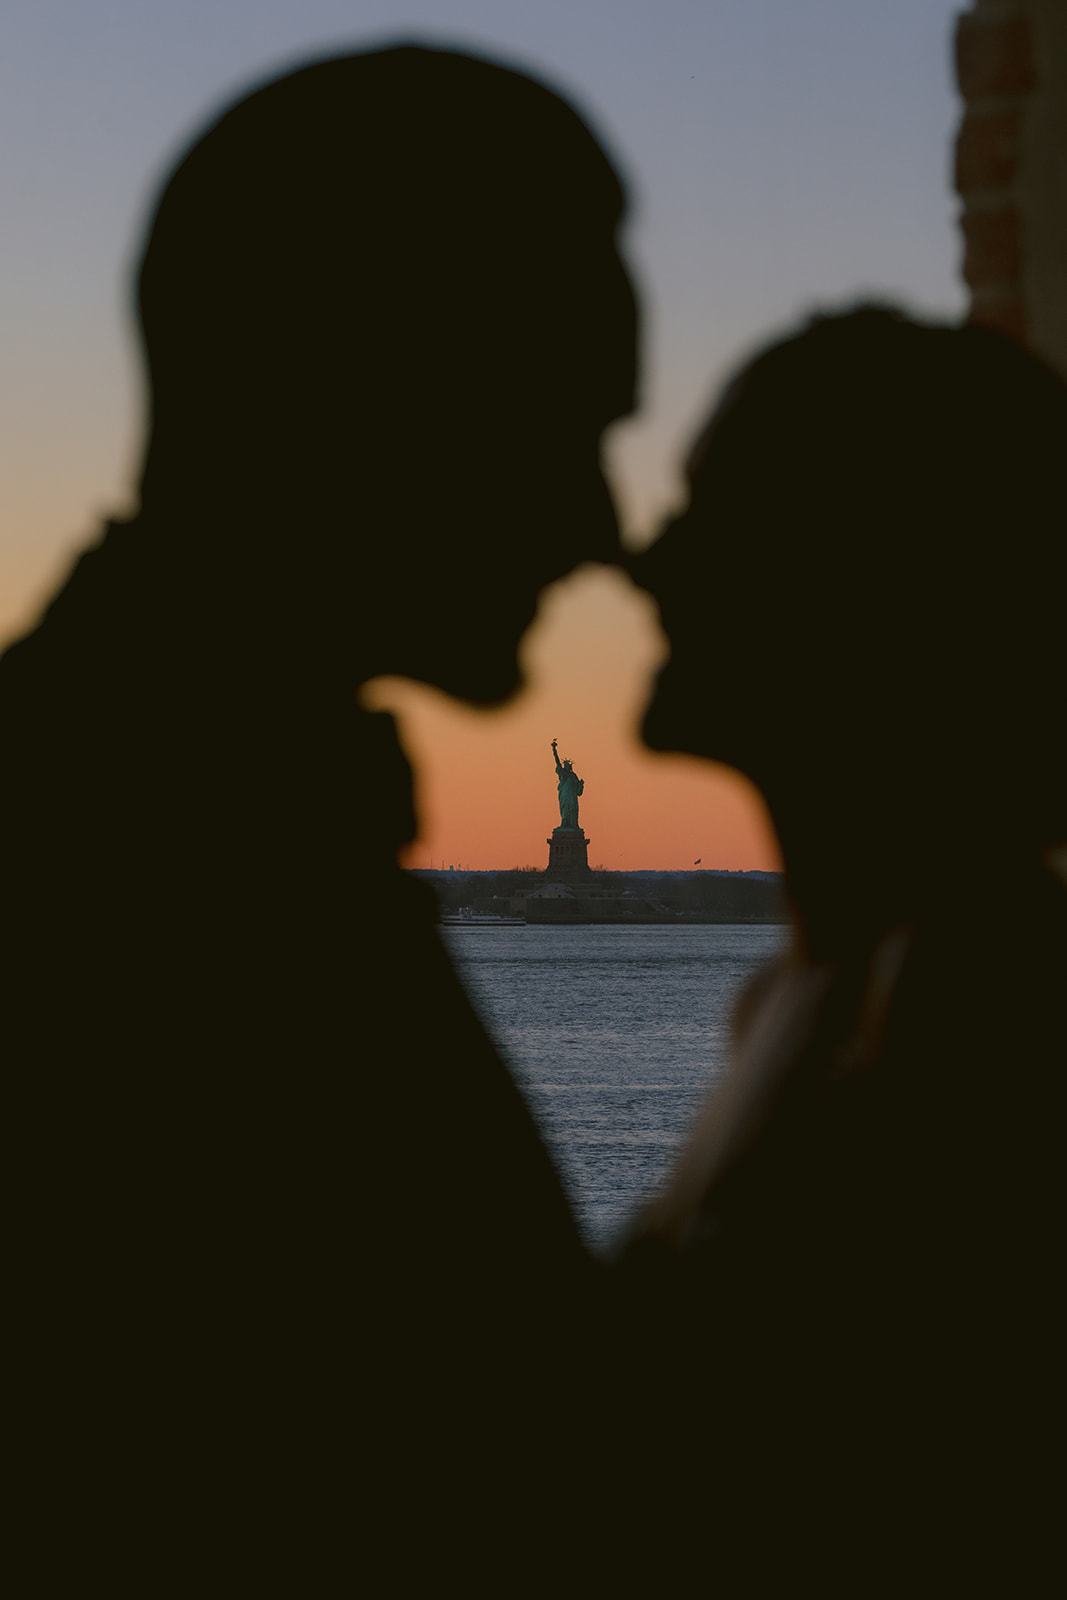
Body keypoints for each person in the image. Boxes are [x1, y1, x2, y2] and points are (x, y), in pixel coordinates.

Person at [3, 44, 637, 1581]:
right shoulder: (148, 887)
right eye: (561, 421)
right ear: (355, 388)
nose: (601, 527)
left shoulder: (175, 815)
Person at [622, 305, 1067, 1586]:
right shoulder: (793, 991)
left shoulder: (985, 1010)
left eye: (715, 510)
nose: (649, 558)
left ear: (861, 586)